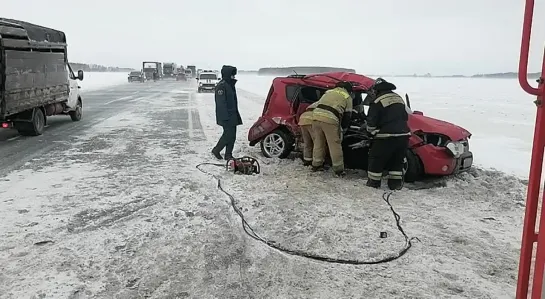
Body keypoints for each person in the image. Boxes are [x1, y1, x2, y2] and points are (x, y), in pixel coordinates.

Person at [363, 78, 410, 190]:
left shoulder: (377, 101)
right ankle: (395, 185)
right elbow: (405, 116)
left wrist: (370, 132)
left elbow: (371, 122)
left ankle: (373, 183)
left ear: (377, 90)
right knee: (397, 160)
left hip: (386, 137)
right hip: (404, 135)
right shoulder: (398, 98)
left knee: (377, 159)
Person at [311, 81, 353, 177]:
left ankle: (316, 165)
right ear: (348, 90)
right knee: (334, 144)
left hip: (315, 117)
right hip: (330, 119)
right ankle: (338, 170)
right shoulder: (347, 96)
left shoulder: (328, 92)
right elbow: (348, 115)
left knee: (318, 142)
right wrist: (344, 128)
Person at [211, 65, 242, 160]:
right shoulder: (222, 86)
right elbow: (220, 103)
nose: (234, 77)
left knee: (232, 136)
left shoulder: (230, 85)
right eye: (232, 75)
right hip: (226, 116)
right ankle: (216, 150)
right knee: (227, 135)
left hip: (232, 115)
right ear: (228, 75)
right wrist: (225, 117)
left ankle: (228, 154)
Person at [297, 101, 320, 166]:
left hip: (303, 118)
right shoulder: (324, 102)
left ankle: (307, 160)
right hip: (311, 119)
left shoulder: (314, 103)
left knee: (307, 142)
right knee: (316, 142)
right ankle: (316, 161)